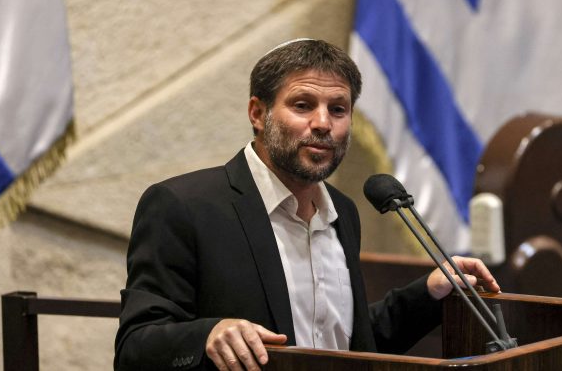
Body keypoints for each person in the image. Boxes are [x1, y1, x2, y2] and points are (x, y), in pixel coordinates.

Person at [114, 39, 500, 371]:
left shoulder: (342, 212)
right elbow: (135, 347)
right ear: (258, 113)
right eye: (302, 105)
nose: (323, 123)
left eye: (338, 109)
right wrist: (208, 334)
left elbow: (344, 343)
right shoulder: (183, 206)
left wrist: (428, 292)